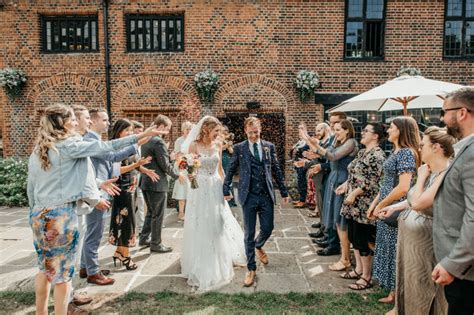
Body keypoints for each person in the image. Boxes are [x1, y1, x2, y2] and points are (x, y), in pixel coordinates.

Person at [27, 103, 165, 315]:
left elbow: (31, 188)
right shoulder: (70, 146)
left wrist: (32, 215)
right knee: (62, 276)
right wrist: (140, 136)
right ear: (63, 123)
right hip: (60, 217)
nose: (77, 123)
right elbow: (108, 148)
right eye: (73, 119)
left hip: (39, 214)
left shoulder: (39, 149)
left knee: (44, 269)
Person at [379, 126, 454, 314]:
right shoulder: (430, 171)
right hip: (411, 240)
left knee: (423, 284)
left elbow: (419, 201)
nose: (419, 149)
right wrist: (394, 206)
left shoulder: (444, 174)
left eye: (423, 145)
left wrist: (420, 178)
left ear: (436, 147)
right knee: (409, 277)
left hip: (427, 243)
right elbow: (412, 198)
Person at [180, 116, 246, 291]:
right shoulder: (194, 145)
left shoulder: (217, 145)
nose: (218, 134)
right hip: (200, 188)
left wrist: (227, 189)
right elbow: (189, 166)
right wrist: (190, 175)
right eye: (215, 131)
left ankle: (220, 252)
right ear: (205, 130)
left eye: (219, 131)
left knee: (219, 220)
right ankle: (201, 258)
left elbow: (220, 169)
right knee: (201, 220)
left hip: (215, 185)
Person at [223, 116, 289, 287]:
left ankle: (259, 245)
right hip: (248, 195)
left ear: (260, 130)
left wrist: (283, 190)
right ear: (245, 131)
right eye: (251, 133)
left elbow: (276, 169)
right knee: (248, 233)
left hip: (266, 194)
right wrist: (225, 188)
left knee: (268, 227)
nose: (254, 136)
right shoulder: (239, 148)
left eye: (256, 132)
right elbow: (230, 169)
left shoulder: (269, 147)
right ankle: (251, 269)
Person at [369, 116, 420, 305]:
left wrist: (383, 205)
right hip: (385, 204)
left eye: (391, 127)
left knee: (395, 250)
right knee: (387, 247)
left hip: (396, 207)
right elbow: (386, 184)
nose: (388, 130)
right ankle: (391, 288)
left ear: (401, 130)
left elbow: (403, 187)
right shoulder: (395, 151)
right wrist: (375, 204)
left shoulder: (406, 153)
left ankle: (397, 292)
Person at [432, 87, 474, 315]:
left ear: (462, 113)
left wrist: (453, 264)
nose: (442, 118)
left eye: (444, 112)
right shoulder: (464, 148)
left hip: (466, 270)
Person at [302, 120, 358, 268]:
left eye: (338, 129)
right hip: (334, 178)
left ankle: (345, 257)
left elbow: (333, 156)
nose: (335, 132)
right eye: (334, 129)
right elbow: (328, 153)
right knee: (333, 216)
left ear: (347, 130)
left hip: (342, 179)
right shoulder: (338, 141)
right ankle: (341, 253)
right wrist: (312, 143)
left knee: (340, 220)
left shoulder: (351, 143)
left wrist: (314, 144)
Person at [337, 123, 386, 290]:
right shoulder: (362, 152)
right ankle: (358, 269)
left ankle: (366, 276)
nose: (362, 132)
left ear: (376, 136)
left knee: (363, 240)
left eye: (366, 131)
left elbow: (372, 181)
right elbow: (354, 174)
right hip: (353, 204)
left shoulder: (378, 155)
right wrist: (345, 185)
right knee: (354, 238)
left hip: (364, 205)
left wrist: (353, 193)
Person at [109, 119, 159, 270]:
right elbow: (116, 171)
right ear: (118, 131)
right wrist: (136, 165)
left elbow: (136, 163)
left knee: (129, 221)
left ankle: (119, 252)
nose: (130, 134)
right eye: (127, 131)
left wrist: (145, 170)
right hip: (122, 189)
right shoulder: (115, 147)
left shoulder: (128, 146)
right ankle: (125, 255)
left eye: (131, 131)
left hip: (131, 188)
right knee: (125, 222)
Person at [139, 115, 186, 253]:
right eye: (167, 129)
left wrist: (169, 157)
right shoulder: (158, 142)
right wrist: (177, 175)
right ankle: (156, 244)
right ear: (160, 126)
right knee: (158, 214)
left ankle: (144, 238)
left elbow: (157, 160)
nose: (168, 131)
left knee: (151, 213)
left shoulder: (147, 139)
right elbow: (164, 165)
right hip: (157, 183)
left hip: (146, 181)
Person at [172, 121, 193, 222]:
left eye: (190, 129)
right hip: (182, 166)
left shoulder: (194, 141)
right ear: (183, 130)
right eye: (187, 129)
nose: (188, 131)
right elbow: (177, 155)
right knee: (182, 190)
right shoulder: (179, 141)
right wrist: (180, 170)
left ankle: (190, 213)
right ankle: (181, 213)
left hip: (192, 167)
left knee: (192, 190)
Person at [290, 123, 310, 208]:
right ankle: (301, 199)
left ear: (306, 129)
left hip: (303, 165)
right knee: (299, 181)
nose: (299, 130)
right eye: (299, 128)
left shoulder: (307, 140)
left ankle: (303, 201)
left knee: (303, 182)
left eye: (301, 128)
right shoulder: (300, 141)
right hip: (297, 164)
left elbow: (307, 152)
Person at [132, 120, 146, 235]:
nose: (140, 133)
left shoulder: (142, 144)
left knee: (141, 201)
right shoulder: (130, 144)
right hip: (130, 177)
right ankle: (131, 228)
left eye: (142, 131)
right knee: (132, 203)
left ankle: (141, 228)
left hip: (140, 176)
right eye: (138, 131)